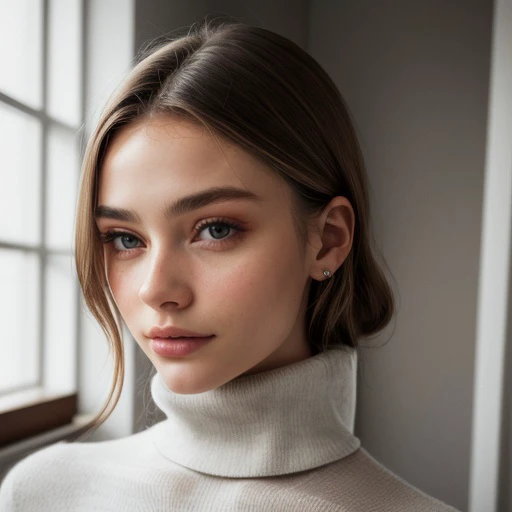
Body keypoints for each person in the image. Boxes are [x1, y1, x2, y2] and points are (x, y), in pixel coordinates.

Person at [0, 17, 459, 512]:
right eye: (125, 238)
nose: (157, 290)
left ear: (328, 239)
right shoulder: (40, 492)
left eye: (215, 229)